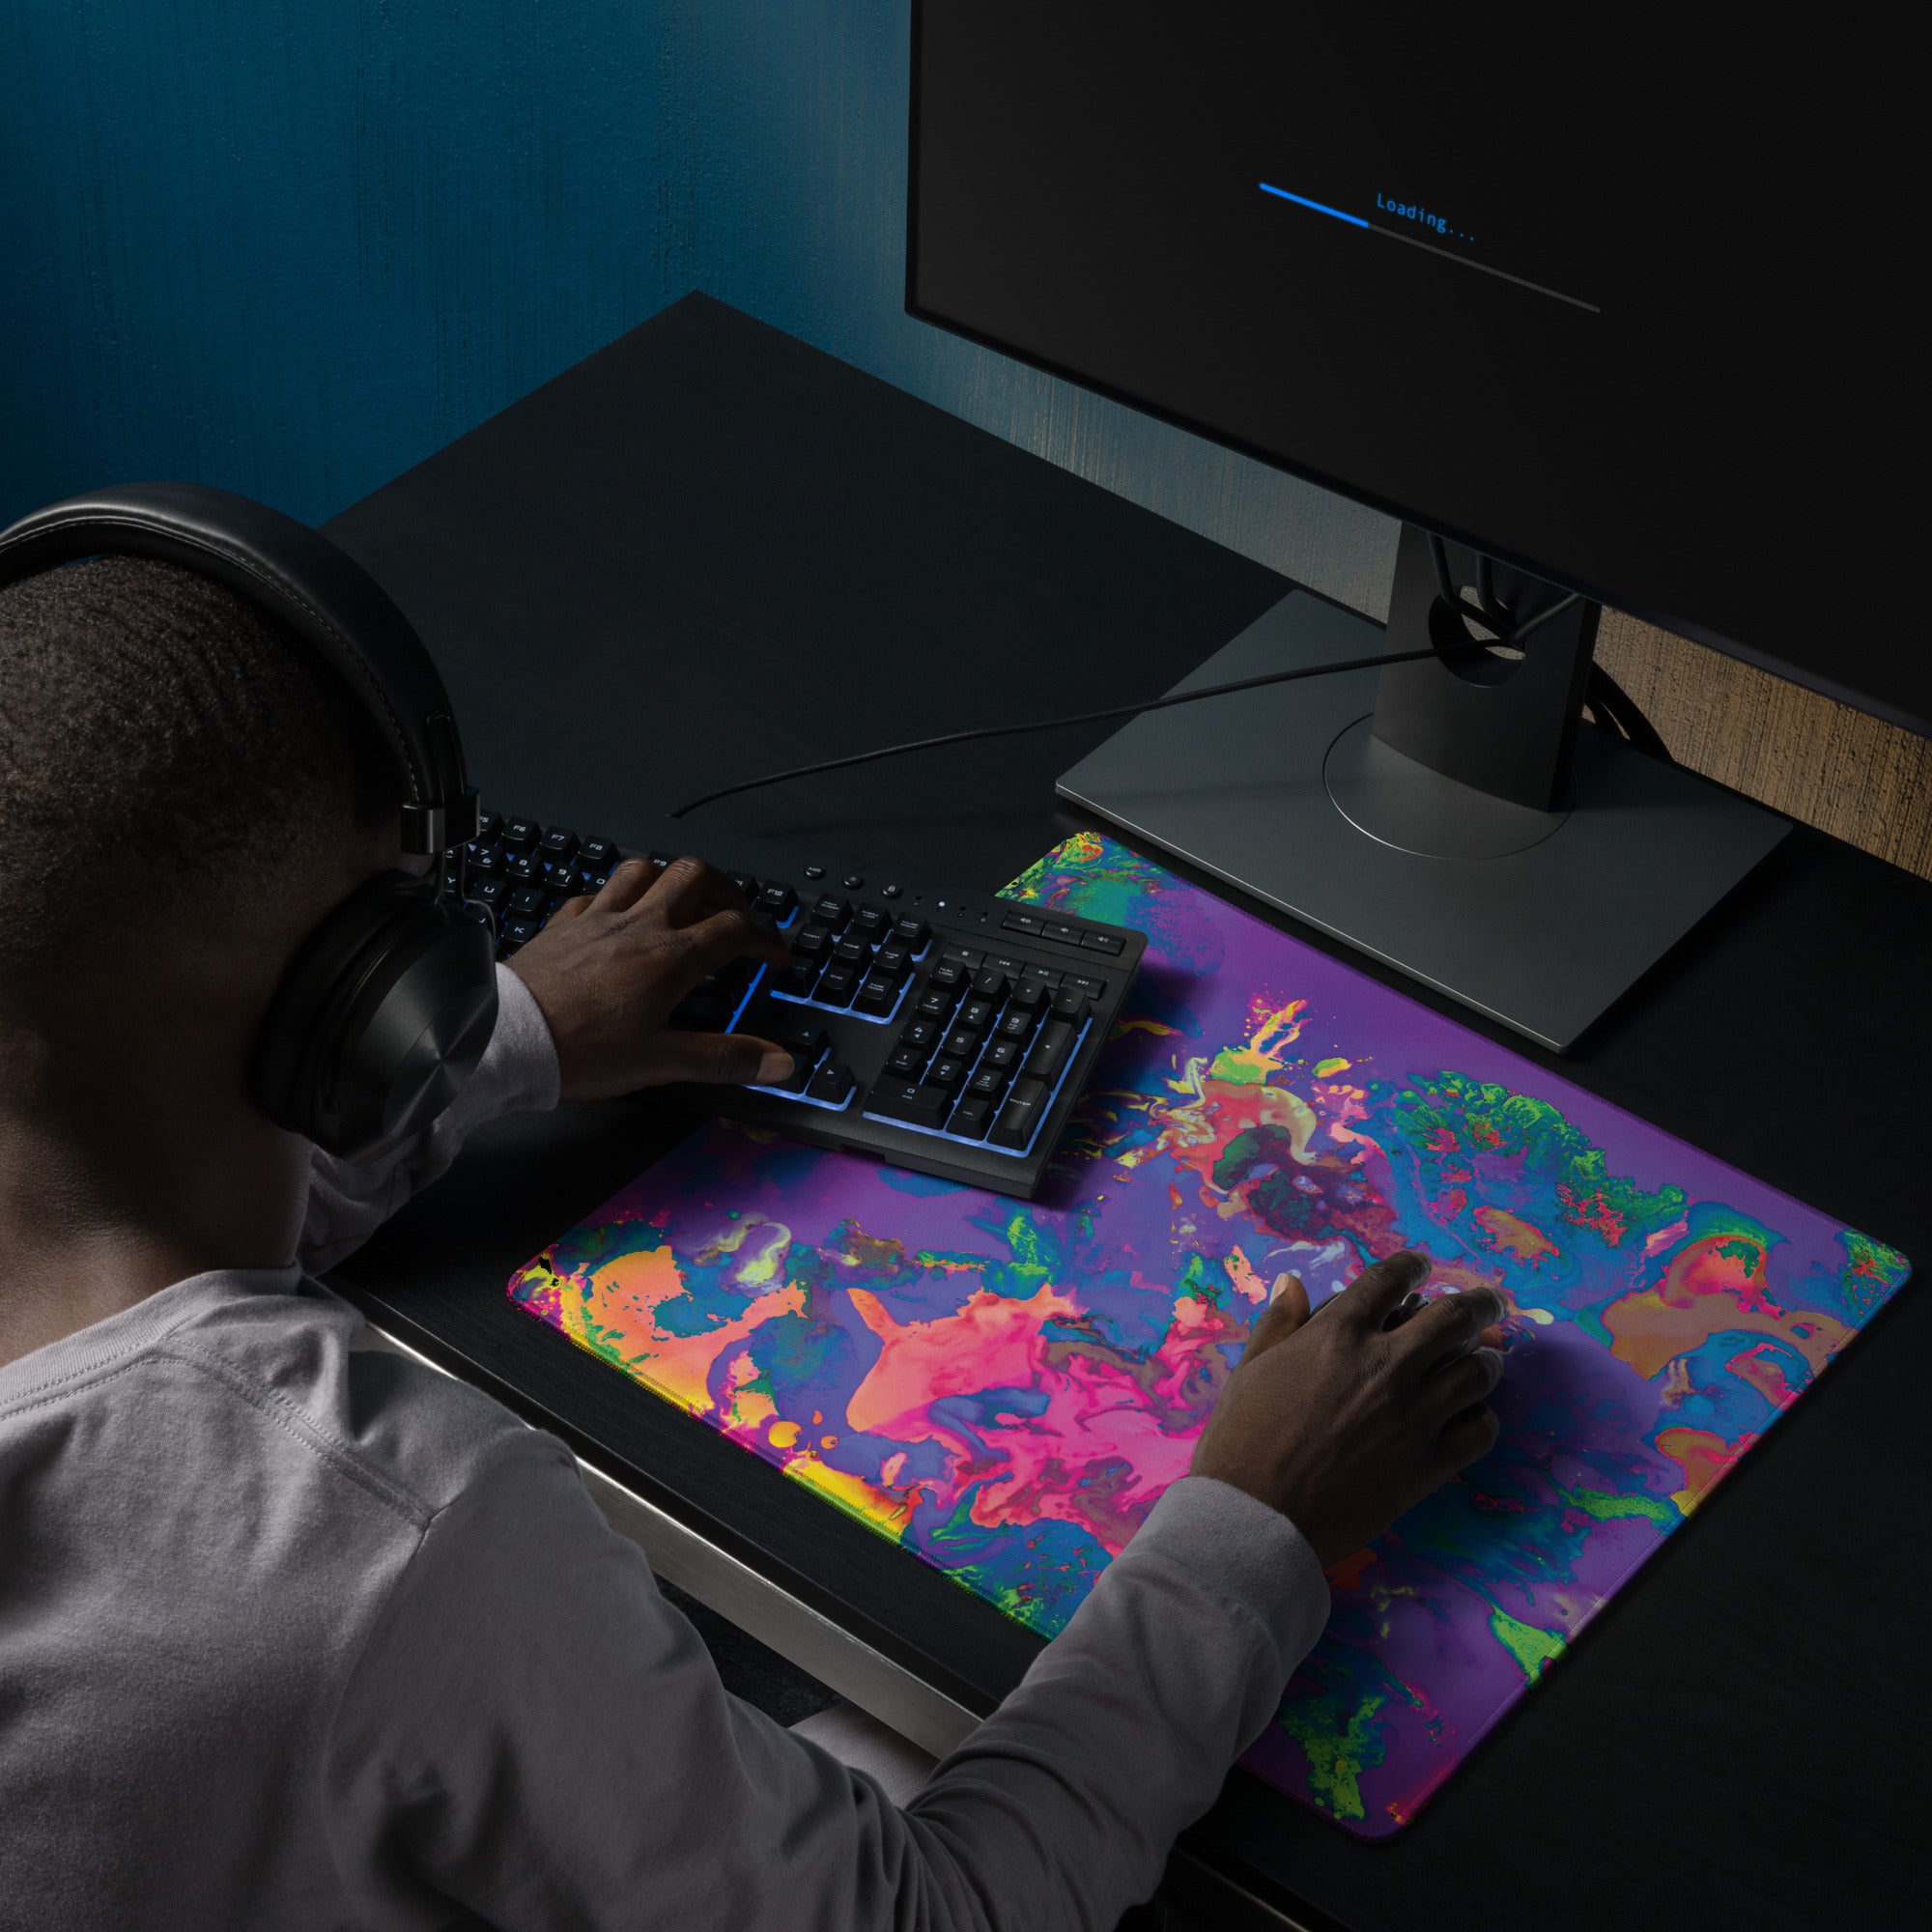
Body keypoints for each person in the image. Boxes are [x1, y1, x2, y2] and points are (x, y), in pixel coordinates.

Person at [0, 554, 1504, 1931]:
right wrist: (1258, 1518)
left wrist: (509, 1039)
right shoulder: (386, 1535)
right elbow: (938, 1918)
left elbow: (149, 1178)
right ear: (370, 1010)